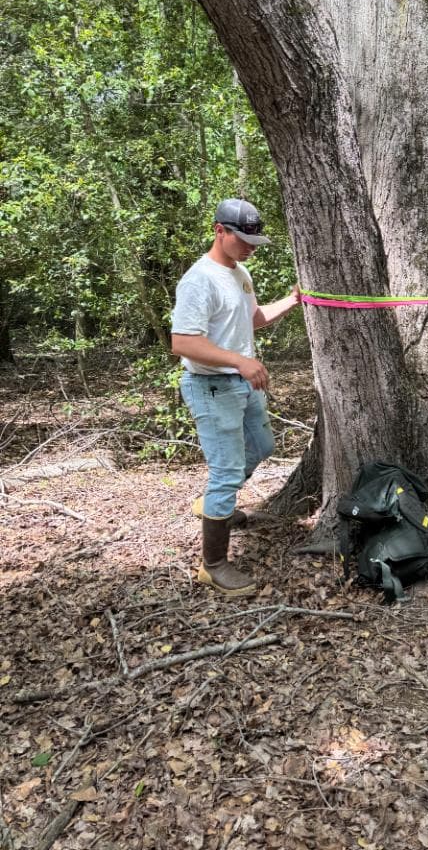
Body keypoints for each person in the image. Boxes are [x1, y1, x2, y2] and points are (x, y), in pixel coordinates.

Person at [171, 198, 301, 597]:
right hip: (213, 387)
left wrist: (293, 300)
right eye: (242, 238)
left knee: (263, 445)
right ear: (219, 231)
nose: (250, 246)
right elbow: (183, 342)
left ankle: (216, 501)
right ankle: (213, 565)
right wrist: (240, 362)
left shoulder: (240, 272)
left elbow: (253, 317)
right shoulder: (199, 280)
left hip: (243, 386)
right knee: (226, 472)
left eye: (254, 240)